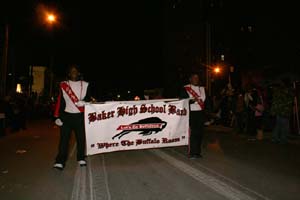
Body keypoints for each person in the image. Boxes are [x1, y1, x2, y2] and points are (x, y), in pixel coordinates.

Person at [53, 64, 93, 170]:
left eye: (75, 71)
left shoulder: (85, 84)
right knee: (64, 140)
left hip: (79, 117)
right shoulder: (63, 85)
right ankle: (60, 161)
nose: (74, 72)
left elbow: (89, 99)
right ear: (69, 73)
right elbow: (59, 101)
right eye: (71, 71)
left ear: (79, 73)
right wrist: (56, 117)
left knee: (81, 139)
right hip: (66, 116)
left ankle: (81, 158)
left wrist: (84, 102)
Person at [180, 72, 206, 159]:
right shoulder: (186, 88)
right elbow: (183, 100)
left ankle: (197, 152)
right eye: (194, 78)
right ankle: (192, 153)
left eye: (197, 78)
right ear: (190, 79)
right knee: (193, 133)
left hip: (200, 113)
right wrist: (192, 100)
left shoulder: (202, 88)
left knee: (200, 133)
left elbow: (204, 99)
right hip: (191, 113)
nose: (196, 79)